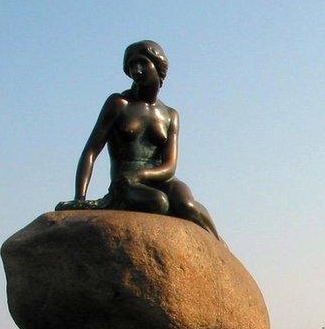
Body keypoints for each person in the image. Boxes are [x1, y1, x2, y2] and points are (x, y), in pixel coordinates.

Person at [57, 40, 220, 239]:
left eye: (142, 63)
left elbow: (170, 165)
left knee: (186, 204)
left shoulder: (170, 114)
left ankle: (220, 245)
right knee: (159, 202)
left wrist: (143, 174)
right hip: (126, 181)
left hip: (161, 177)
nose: (137, 70)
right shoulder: (119, 104)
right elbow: (91, 150)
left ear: (158, 66)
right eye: (132, 66)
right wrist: (79, 198)